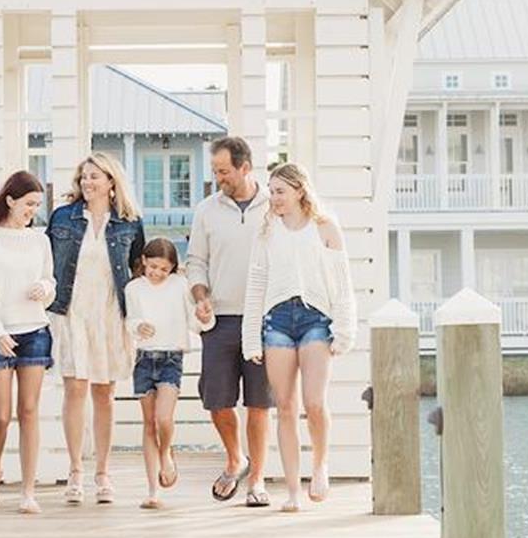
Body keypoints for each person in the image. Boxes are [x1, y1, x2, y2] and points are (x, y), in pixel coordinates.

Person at [242, 162, 357, 513]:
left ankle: (320, 465)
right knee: (286, 408)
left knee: (314, 403)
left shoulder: (325, 227)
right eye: (271, 191)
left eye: (280, 191)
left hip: (315, 320)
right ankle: (292, 490)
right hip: (277, 321)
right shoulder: (267, 231)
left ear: (299, 191)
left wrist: (344, 330)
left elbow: (342, 284)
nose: (273, 198)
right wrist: (251, 338)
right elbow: (256, 284)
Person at [46, 152, 145, 505]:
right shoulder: (62, 218)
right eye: (83, 177)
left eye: (94, 177)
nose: (87, 182)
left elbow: (138, 273)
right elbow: (46, 264)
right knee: (74, 389)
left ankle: (103, 471)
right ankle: (75, 471)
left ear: (111, 182)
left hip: (110, 314)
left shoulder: (130, 223)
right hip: (72, 312)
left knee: (104, 393)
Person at [185, 136, 273, 507]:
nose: (218, 177)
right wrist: (200, 296)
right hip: (219, 320)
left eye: (224, 171)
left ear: (244, 167)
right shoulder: (207, 209)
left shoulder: (274, 205)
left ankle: (257, 480)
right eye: (215, 170)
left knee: (258, 402)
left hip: (264, 320)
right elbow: (195, 262)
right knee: (217, 400)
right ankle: (236, 457)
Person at [0, 170, 55, 514]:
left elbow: (50, 281)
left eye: (37, 205)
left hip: (35, 329)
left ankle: (28, 491)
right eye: (28, 204)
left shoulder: (39, 240)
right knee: (1, 415)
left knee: (29, 411)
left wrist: (45, 290)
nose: (33, 210)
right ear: (10, 201)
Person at [124, 238, 216, 510]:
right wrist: (138, 327)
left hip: (170, 359)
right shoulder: (133, 288)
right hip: (144, 358)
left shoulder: (180, 286)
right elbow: (131, 320)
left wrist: (205, 319)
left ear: (173, 268)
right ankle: (153, 490)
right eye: (152, 267)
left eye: (164, 269)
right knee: (149, 423)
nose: (157, 273)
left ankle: (166, 454)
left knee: (163, 417)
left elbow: (194, 321)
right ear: (143, 261)